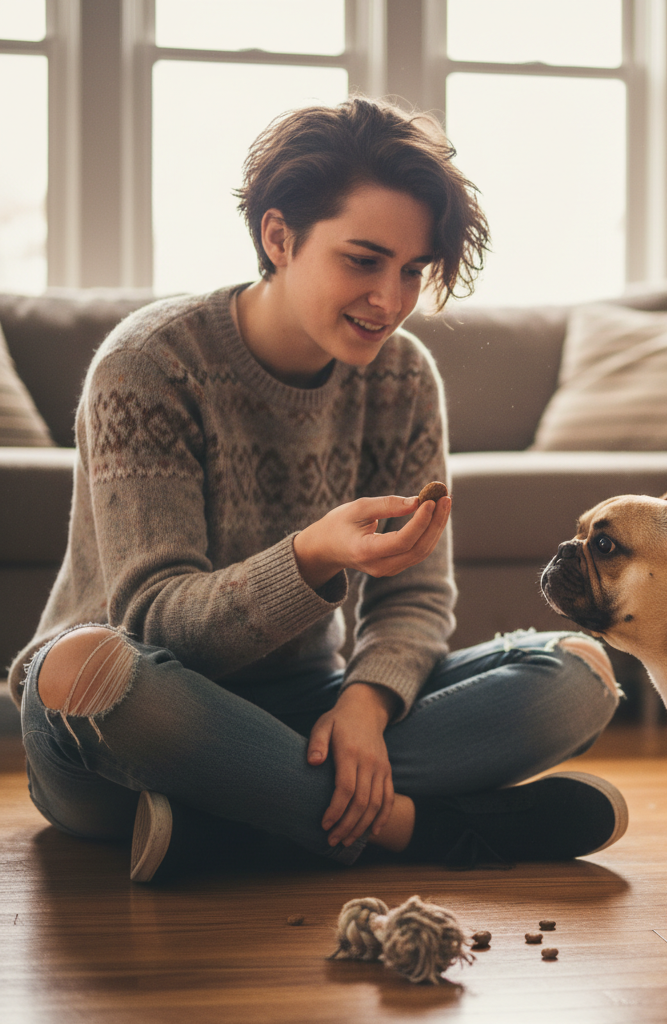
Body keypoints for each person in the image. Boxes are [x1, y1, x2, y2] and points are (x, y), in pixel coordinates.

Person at [8, 97, 626, 882]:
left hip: (312, 710)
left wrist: (367, 702)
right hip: (143, 715)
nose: (392, 301)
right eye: (363, 261)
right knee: (82, 670)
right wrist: (309, 558)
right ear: (278, 236)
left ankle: (224, 828)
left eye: (413, 271)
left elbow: (416, 596)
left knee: (578, 676)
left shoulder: (403, 378)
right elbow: (157, 625)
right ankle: (422, 829)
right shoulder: (149, 367)